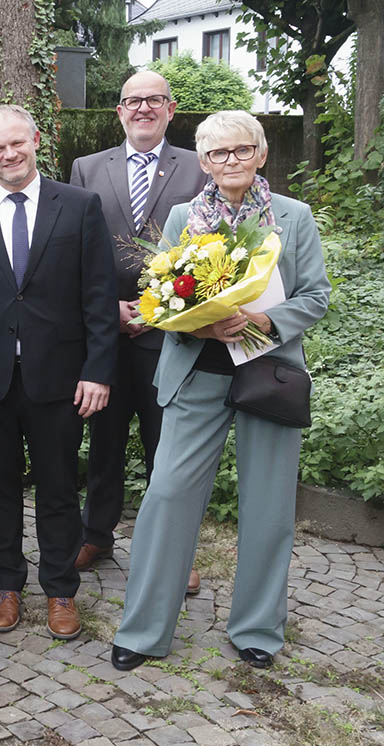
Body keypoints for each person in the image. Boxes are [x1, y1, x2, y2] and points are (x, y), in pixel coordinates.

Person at [111, 110, 330, 672]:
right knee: (166, 497)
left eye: (240, 150)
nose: (229, 162)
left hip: (268, 376)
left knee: (269, 505)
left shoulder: (293, 217)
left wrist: (263, 320)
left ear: (259, 154)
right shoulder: (185, 217)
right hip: (197, 373)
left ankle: (256, 628)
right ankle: (144, 629)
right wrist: (202, 323)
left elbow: (314, 297)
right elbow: (158, 301)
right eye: (217, 154)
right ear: (203, 162)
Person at [0, 105, 118, 640]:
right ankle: (6, 583)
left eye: (17, 143)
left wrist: (98, 371)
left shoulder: (80, 206)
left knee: (59, 486)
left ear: (36, 140)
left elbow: (100, 297)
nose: (9, 154)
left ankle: (61, 589)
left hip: (60, 376)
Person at [69, 71, 207, 594]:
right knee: (103, 439)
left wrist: (157, 309)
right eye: (133, 101)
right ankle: (96, 533)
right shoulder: (86, 168)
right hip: (105, 330)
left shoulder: (197, 167)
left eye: (154, 100)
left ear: (171, 109)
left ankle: (174, 550)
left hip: (170, 331)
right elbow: (74, 247)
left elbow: (212, 250)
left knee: (165, 445)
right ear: (119, 112)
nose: (143, 108)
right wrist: (109, 307)